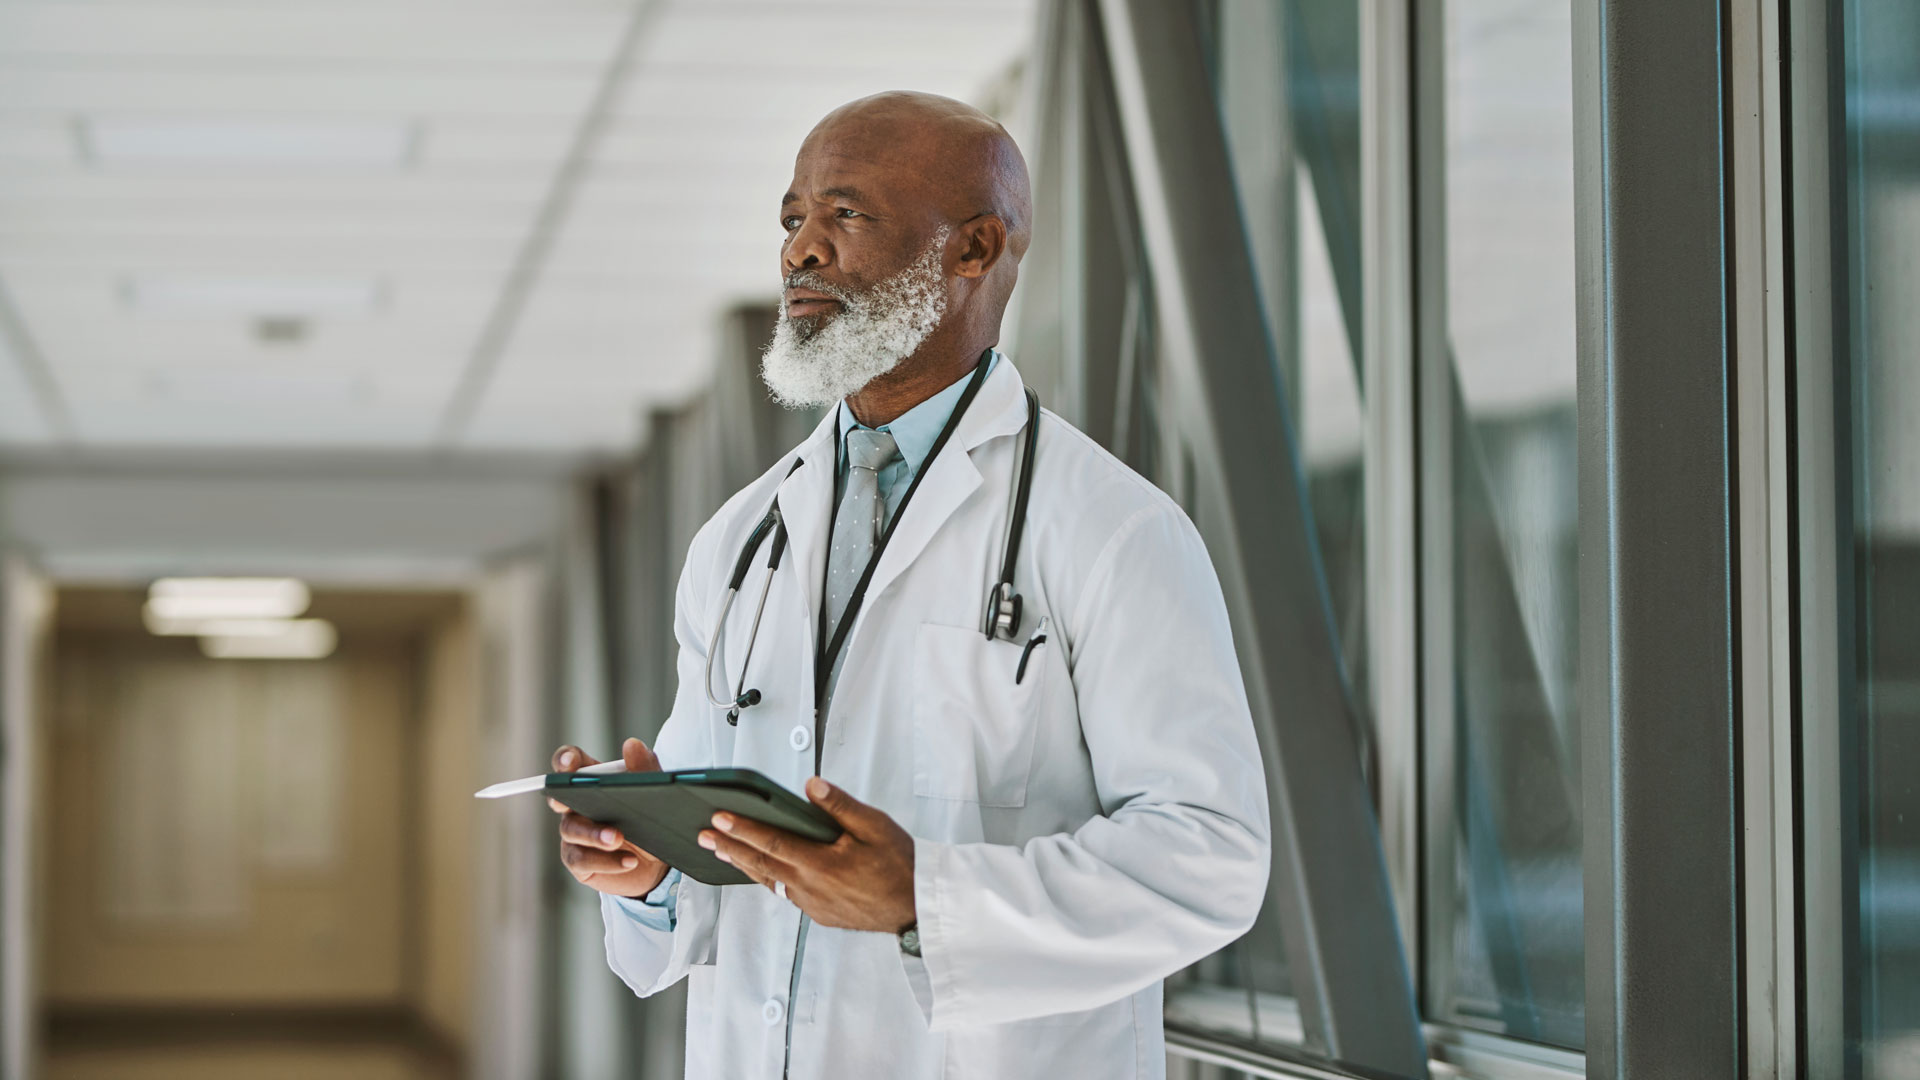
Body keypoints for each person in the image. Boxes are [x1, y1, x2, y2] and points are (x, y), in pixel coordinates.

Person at [550, 91, 1269, 1079]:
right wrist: (646, 869)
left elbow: (1211, 861)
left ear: (974, 249)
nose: (800, 251)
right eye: (792, 218)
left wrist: (927, 899)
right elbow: (719, 859)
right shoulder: (738, 540)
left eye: (844, 215)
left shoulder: (1114, 531)